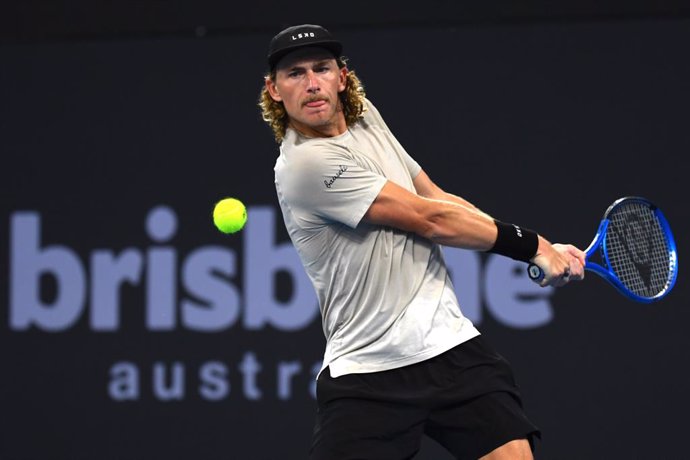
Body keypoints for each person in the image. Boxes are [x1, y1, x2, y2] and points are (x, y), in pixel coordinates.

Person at [258, 24, 585, 460]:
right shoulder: (304, 166)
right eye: (295, 73)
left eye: (322, 68)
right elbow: (426, 219)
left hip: (449, 346)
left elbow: (435, 196)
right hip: (369, 372)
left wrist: (542, 247)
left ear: (342, 76)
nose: (312, 84)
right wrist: (532, 246)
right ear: (274, 90)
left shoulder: (365, 117)